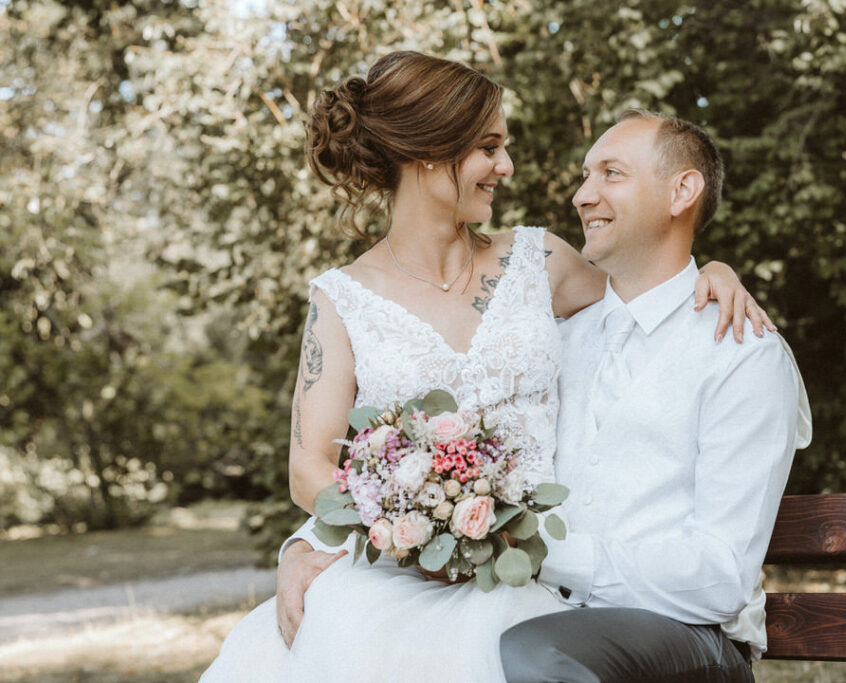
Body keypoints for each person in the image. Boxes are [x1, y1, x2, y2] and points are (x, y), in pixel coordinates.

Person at [201, 52, 769, 682]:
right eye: (489, 148)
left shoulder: (539, 260)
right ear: (426, 153)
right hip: (402, 566)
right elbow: (309, 470)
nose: (507, 166)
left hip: (526, 574)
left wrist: (715, 272)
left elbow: (642, 295)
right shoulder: (341, 299)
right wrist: (401, 529)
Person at [499, 110, 813, 682]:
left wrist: (543, 556)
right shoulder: (559, 343)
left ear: (682, 191)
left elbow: (719, 578)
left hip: (691, 642)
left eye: (610, 174)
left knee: (530, 653)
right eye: (585, 175)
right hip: (547, 614)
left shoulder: (742, 352)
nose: (581, 195)